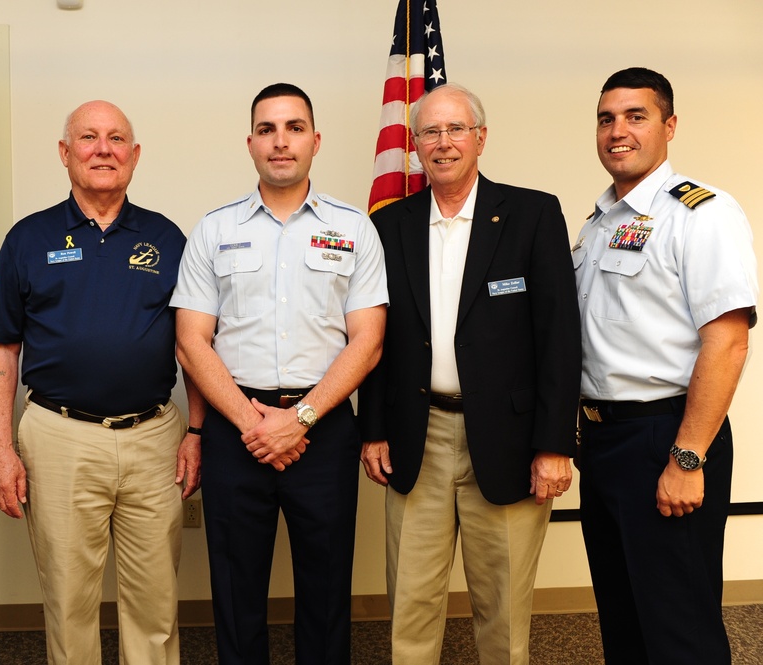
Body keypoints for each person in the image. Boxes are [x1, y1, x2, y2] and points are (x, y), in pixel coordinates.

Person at [357, 84, 581, 665]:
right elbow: (376, 336)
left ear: (481, 137)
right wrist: (373, 428)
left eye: (456, 129)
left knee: (504, 612)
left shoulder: (532, 214)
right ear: (414, 145)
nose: (443, 143)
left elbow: (559, 339)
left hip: (508, 440)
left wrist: (554, 445)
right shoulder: (389, 225)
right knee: (410, 605)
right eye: (430, 132)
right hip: (417, 436)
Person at [0, 100, 201, 665]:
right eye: (88, 137)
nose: (104, 149)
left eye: (117, 138)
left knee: (155, 600)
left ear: (135, 155)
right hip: (59, 437)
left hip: (155, 438)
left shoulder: (168, 238)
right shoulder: (28, 239)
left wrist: (196, 431)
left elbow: (195, 345)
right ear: (64, 152)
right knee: (69, 599)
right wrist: (0, 449)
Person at [171, 83, 388, 664]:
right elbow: (191, 342)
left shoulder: (354, 228)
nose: (280, 141)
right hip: (235, 428)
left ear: (316, 140)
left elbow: (367, 343)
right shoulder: (214, 229)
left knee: (325, 590)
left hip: (323, 430)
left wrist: (301, 418)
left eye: (294, 128)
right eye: (267, 129)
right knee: (236, 592)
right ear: (250, 144)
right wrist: (253, 422)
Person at [574, 67, 758, 664]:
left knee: (679, 627)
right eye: (606, 118)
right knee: (625, 619)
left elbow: (728, 341)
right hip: (603, 442)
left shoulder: (701, 213)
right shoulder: (599, 222)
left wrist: (687, 456)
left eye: (636, 116)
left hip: (667, 436)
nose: (617, 131)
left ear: (669, 125)